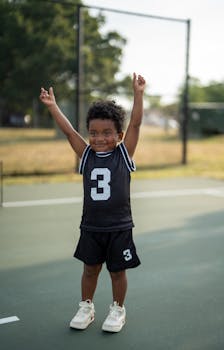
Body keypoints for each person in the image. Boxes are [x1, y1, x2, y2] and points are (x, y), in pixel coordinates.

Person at [39, 72, 146, 333]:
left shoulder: (123, 153)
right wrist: (54, 107)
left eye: (107, 133)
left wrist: (138, 94)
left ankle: (118, 309)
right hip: (91, 226)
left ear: (118, 135)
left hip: (119, 226)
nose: (99, 138)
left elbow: (135, 124)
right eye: (94, 133)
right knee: (90, 270)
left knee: (117, 272)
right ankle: (86, 306)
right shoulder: (86, 155)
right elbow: (69, 131)